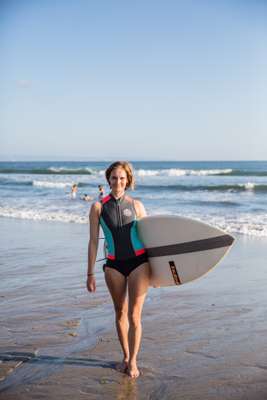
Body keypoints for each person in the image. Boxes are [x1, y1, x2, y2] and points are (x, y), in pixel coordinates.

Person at [87, 161, 150, 379]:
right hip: (113, 265)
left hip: (139, 263)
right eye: (114, 177)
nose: (118, 181)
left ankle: (133, 361)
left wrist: (161, 273)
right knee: (120, 312)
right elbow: (94, 242)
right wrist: (90, 274)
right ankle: (125, 355)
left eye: (122, 177)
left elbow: (152, 239)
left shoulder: (137, 206)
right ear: (108, 180)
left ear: (128, 180)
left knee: (134, 315)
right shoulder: (98, 207)